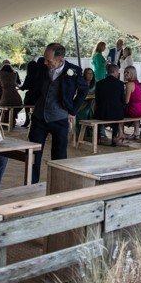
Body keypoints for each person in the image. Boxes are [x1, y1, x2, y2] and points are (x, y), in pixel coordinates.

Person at [28, 43, 89, 184]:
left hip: (60, 118)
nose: (45, 62)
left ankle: (58, 185)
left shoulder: (74, 71)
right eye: (44, 59)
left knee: (59, 156)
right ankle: (31, 185)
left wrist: (73, 110)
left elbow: (83, 90)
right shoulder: (42, 67)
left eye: (49, 60)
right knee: (33, 154)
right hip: (39, 117)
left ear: (60, 60)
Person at [94, 63, 126, 146]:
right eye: (118, 72)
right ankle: (114, 138)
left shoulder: (99, 83)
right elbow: (123, 100)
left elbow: (97, 101)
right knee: (116, 111)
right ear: (115, 71)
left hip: (102, 113)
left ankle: (98, 138)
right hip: (117, 114)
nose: (118, 73)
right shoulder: (120, 84)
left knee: (97, 112)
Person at [20, 56, 45, 128]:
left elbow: (23, 87)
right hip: (41, 99)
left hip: (31, 98)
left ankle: (27, 120)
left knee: (27, 98)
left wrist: (19, 86)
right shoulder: (45, 75)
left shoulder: (30, 76)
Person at [75, 68, 98, 142]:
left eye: (91, 73)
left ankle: (92, 134)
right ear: (85, 74)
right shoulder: (81, 83)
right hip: (82, 103)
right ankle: (81, 135)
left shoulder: (95, 83)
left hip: (93, 103)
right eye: (88, 73)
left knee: (92, 110)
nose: (90, 75)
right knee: (83, 113)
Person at [123, 65, 141, 139]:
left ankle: (120, 133)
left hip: (134, 110)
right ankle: (136, 133)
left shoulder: (129, 84)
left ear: (132, 73)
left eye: (127, 72)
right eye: (124, 72)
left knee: (118, 112)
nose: (125, 74)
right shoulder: (138, 83)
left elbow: (126, 101)